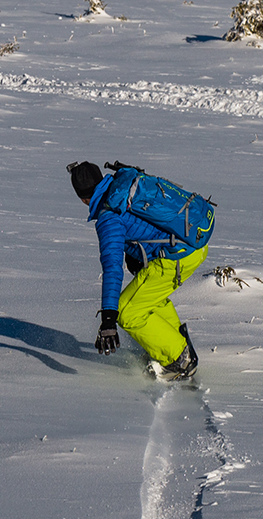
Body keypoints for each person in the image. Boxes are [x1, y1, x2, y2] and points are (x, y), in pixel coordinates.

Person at [68, 160, 207, 378]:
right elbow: (140, 225)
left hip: (176, 257)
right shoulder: (121, 187)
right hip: (192, 246)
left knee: (127, 312)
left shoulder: (108, 216)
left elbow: (112, 268)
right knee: (147, 295)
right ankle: (176, 345)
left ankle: (179, 358)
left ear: (83, 198)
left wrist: (108, 319)